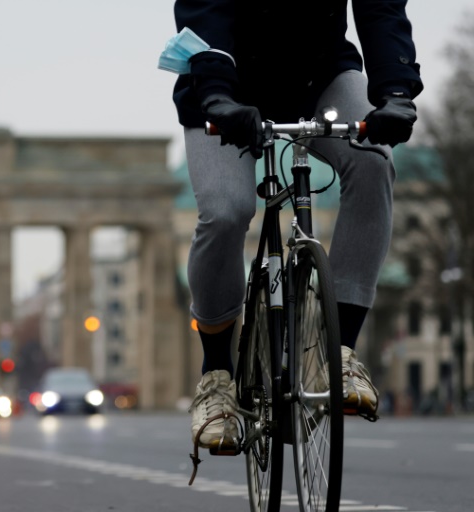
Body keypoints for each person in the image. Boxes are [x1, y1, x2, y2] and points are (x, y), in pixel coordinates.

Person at [171, 0, 422, 452]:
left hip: (320, 75)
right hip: (225, 82)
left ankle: (338, 355)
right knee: (226, 210)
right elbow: (205, 11)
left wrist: (398, 92)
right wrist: (216, 94)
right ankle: (216, 378)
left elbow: (381, 9)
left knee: (373, 166)